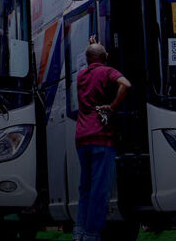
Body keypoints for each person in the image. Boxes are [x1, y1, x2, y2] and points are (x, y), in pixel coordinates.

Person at [75, 37, 131, 241]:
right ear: (105, 57)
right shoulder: (107, 71)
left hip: (82, 136)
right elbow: (126, 84)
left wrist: (94, 45)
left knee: (86, 189)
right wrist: (113, 106)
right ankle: (91, 235)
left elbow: (94, 56)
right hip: (101, 137)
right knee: (100, 189)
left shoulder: (81, 75)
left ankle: (79, 232)